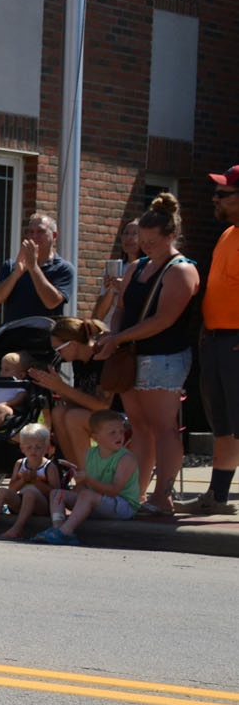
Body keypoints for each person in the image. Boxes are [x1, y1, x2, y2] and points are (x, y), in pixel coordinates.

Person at [95, 193, 200, 518]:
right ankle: (135, 494)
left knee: (163, 427)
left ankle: (162, 497)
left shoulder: (181, 270)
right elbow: (122, 308)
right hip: (132, 357)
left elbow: (163, 320)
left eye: (152, 242)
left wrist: (119, 338)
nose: (146, 247)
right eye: (142, 241)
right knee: (139, 428)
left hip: (164, 357)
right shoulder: (137, 266)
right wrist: (112, 335)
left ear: (171, 236)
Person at [189, 166, 239, 515]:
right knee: (224, 425)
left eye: (223, 194)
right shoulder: (226, 235)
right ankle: (217, 497)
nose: (214, 199)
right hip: (217, 340)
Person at [35, 409, 139, 543]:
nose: (119, 436)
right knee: (57, 493)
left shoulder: (126, 458)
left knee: (86, 495)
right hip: (96, 501)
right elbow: (84, 486)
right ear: (95, 438)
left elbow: (114, 490)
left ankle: (66, 532)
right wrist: (79, 484)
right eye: (112, 433)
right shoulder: (89, 454)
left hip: (123, 506)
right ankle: (57, 529)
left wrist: (87, 480)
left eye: (121, 431)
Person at [33, 317, 113, 466]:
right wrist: (55, 387)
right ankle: (77, 471)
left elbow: (102, 405)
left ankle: (88, 474)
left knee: (73, 417)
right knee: (59, 412)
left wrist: (62, 387)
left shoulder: (101, 358)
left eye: (59, 349)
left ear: (74, 344)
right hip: (96, 416)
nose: (58, 354)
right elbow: (79, 399)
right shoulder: (79, 361)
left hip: (118, 417)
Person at [0, 422, 61, 540]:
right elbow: (12, 488)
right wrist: (22, 480)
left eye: (38, 447)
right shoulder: (20, 464)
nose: (33, 450)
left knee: (30, 493)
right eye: (29, 447)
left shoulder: (49, 467)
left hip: (41, 506)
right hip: (21, 502)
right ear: (22, 448)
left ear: (47, 448)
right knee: (1, 491)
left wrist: (36, 482)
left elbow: (55, 493)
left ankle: (17, 528)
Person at [0, 212, 75, 325]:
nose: (34, 236)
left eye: (40, 231)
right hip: (13, 333)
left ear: (54, 236)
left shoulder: (63, 269)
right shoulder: (11, 266)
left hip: (44, 333)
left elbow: (51, 302)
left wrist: (33, 267)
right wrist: (16, 273)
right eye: (30, 232)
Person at [91, 221, 144, 324]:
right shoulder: (114, 268)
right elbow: (100, 314)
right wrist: (111, 289)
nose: (128, 238)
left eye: (134, 234)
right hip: (109, 327)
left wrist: (125, 287)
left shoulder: (149, 268)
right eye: (126, 233)